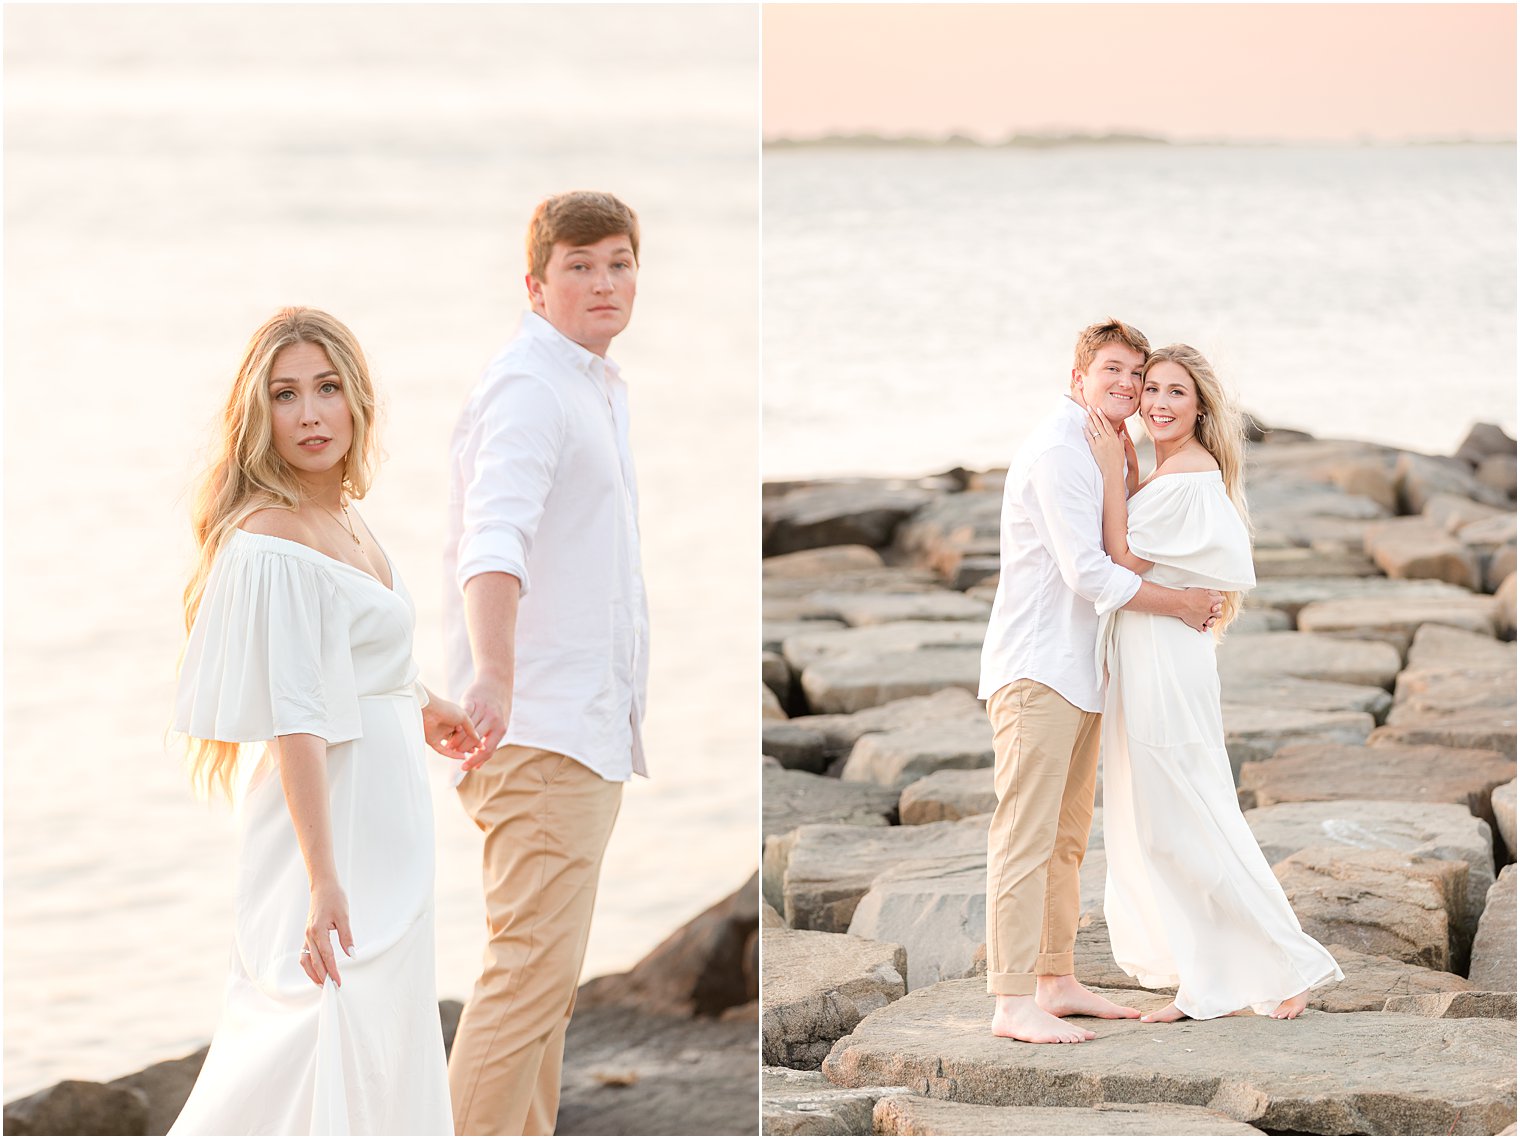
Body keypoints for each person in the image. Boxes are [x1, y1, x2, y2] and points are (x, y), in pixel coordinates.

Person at [171, 307, 486, 1135]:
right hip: (329, 829)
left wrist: (423, 704)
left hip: (386, 819)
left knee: (379, 1031)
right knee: (310, 1032)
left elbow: (352, 661)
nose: (310, 413)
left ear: (356, 400)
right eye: (285, 394)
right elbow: (296, 721)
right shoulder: (273, 540)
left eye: (326, 387)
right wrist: (323, 880)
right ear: (258, 415)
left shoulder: (345, 515)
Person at [443, 191, 650, 1135]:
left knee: (546, 994)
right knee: (525, 981)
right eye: (580, 266)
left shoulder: (589, 385)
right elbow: (493, 539)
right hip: (537, 731)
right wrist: (492, 673)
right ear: (535, 284)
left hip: (584, 731)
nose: (604, 281)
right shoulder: (531, 385)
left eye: (618, 261)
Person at [978, 318, 1224, 1045]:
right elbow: (1090, 572)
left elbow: (1124, 542)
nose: (1126, 385)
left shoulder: (1104, 446)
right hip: (1037, 670)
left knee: (1065, 839)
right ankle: (1011, 999)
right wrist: (1181, 604)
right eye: (1112, 370)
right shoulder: (1061, 448)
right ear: (1080, 373)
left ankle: (1054, 978)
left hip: (1079, 673)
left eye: (1135, 374)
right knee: (1024, 837)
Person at [1083, 343, 1343, 1022]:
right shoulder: (1169, 469)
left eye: (1175, 392)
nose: (1159, 403)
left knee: (1185, 816)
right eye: (1152, 390)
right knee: (1164, 819)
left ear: (1200, 407)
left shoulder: (1187, 474)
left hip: (1167, 660)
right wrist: (1133, 466)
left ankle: (1284, 964)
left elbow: (1119, 558)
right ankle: (1207, 976)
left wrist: (1115, 469)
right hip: (1153, 653)